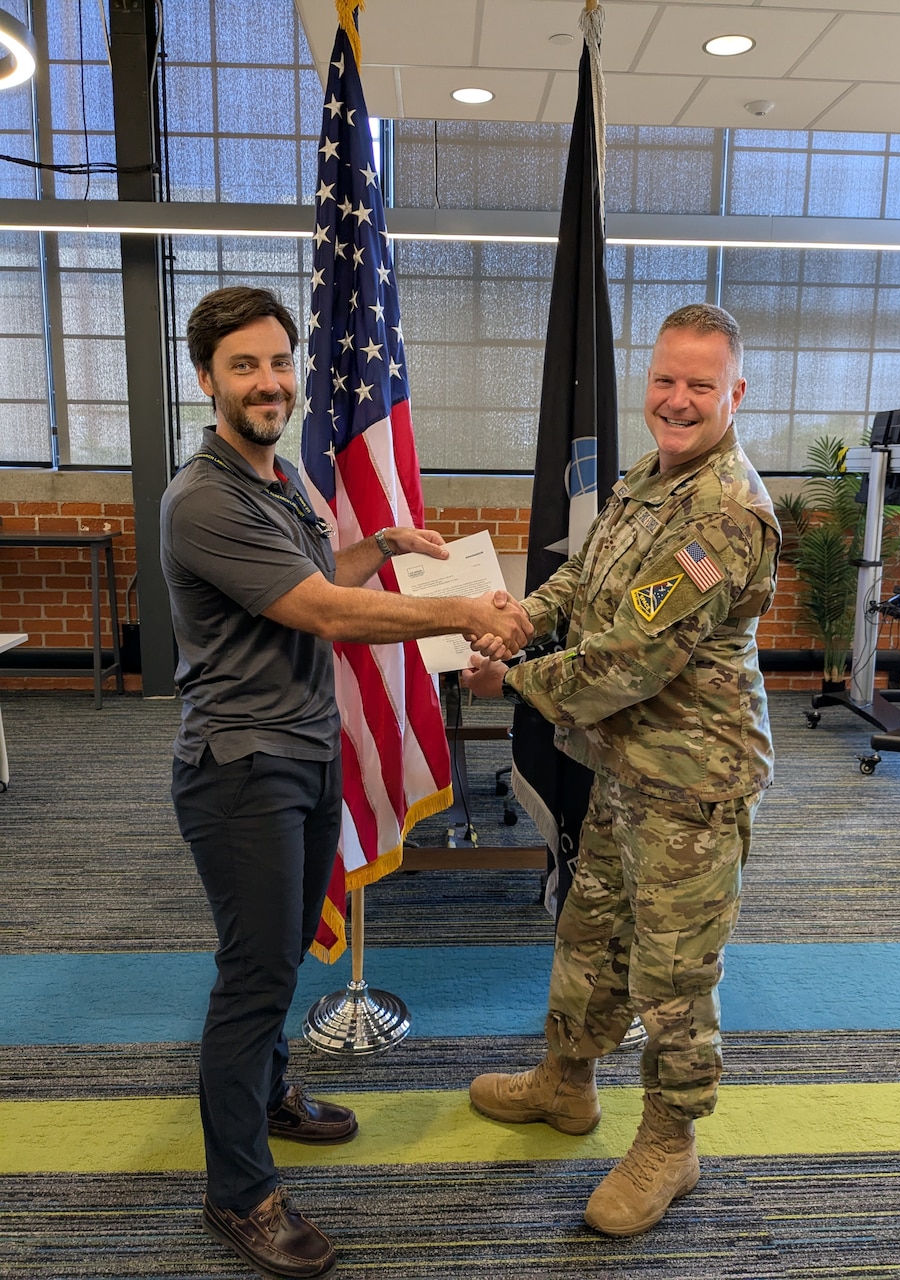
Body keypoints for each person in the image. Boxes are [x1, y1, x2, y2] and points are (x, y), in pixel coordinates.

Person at [159, 285, 531, 1280]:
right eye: (244, 365)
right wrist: (465, 618)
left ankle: (273, 1095)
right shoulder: (205, 495)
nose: (270, 380)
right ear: (207, 380)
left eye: (279, 361)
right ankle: (237, 1190)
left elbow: (320, 572)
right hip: (244, 768)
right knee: (255, 976)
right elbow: (322, 611)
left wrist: (387, 549)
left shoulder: (280, 482)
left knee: (278, 954)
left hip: (306, 750)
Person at [462, 303, 781, 1239]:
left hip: (693, 781)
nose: (677, 402)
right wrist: (524, 614)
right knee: (591, 930)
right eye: (665, 381)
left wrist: (508, 674)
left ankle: (670, 1144)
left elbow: (631, 658)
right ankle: (566, 1083)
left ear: (736, 394)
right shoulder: (652, 475)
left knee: (673, 974)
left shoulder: (724, 514)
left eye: (700, 387)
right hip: (625, 764)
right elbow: (588, 575)